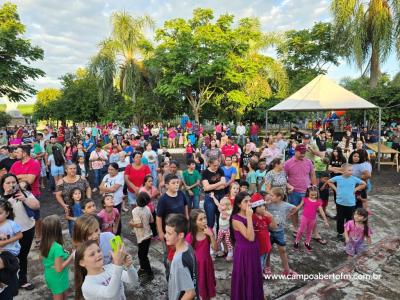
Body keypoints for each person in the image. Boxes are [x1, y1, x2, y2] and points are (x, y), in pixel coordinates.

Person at [1, 173, 39, 290]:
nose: (11, 185)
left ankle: (22, 280)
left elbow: (36, 205)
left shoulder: (23, 193)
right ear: (2, 185)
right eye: (8, 183)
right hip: (7, 234)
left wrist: (24, 199)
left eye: (13, 182)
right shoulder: (1, 199)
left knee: (23, 256)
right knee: (7, 257)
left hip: (27, 229)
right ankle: (8, 281)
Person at [230, 192, 263, 300]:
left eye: (250, 201)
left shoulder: (251, 214)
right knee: (245, 276)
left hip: (253, 249)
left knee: (254, 275)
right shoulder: (236, 219)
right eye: (246, 201)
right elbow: (250, 237)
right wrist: (249, 217)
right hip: (244, 252)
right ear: (239, 205)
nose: (249, 203)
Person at [10, 145, 42, 247]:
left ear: (24, 153)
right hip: (17, 194)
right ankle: (26, 235)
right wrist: (24, 176)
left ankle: (38, 236)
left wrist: (18, 177)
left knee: (35, 217)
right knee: (20, 216)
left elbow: (30, 181)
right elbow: (10, 178)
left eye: (17, 152)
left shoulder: (34, 163)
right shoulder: (15, 164)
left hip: (32, 194)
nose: (15, 154)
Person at [327, 164, 367, 242]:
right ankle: (340, 233)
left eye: (352, 170)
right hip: (340, 203)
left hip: (351, 204)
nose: (351, 172)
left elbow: (364, 184)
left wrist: (356, 189)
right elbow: (329, 181)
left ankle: (349, 232)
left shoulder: (354, 179)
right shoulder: (338, 178)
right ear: (343, 171)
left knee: (350, 219)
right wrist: (335, 189)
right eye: (349, 170)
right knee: (340, 219)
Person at [156, 174, 189, 265]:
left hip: (181, 229)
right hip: (169, 232)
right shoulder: (163, 199)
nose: (176, 185)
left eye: (177, 182)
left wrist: (187, 217)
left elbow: (185, 204)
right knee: (169, 253)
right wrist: (160, 232)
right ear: (166, 185)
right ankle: (169, 273)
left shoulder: (181, 193)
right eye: (173, 183)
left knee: (180, 248)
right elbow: (159, 217)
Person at [40, 215, 74, 300]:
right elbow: (59, 268)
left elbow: (41, 258)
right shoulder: (57, 247)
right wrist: (71, 256)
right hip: (58, 277)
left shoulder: (44, 243)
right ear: (57, 230)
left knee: (63, 295)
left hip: (50, 274)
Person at [265, 187, 297, 276]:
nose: (270, 197)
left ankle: (286, 269)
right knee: (268, 250)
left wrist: (289, 214)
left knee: (282, 250)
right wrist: (265, 204)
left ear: (279, 197)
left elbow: (294, 208)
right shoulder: (268, 204)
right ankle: (267, 267)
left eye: (272, 195)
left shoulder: (285, 205)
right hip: (269, 231)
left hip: (280, 232)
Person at [165, 214, 198, 300]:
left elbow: (190, 293)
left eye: (169, 233)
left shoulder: (178, 261)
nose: (165, 236)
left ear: (180, 235)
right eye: (166, 232)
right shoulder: (187, 246)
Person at [186, 209, 217, 300]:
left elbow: (215, 248)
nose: (204, 221)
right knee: (200, 288)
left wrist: (211, 235)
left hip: (207, 264)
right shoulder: (190, 237)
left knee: (209, 285)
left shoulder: (209, 231)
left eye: (205, 218)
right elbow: (187, 255)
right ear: (194, 222)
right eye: (200, 219)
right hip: (197, 267)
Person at [293, 186, 329, 252]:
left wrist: (325, 220)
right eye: (312, 195)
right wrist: (292, 212)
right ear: (308, 193)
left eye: (315, 195)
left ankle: (307, 243)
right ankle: (296, 241)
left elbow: (321, 211)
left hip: (313, 219)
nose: (313, 196)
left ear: (317, 194)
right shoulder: (305, 199)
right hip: (304, 217)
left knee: (309, 232)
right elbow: (299, 207)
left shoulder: (318, 201)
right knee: (301, 230)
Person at [250, 193, 277, 279]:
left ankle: (259, 274)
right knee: (258, 262)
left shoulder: (265, 217)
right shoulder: (252, 217)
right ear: (254, 208)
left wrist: (272, 217)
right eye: (260, 206)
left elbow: (274, 227)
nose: (263, 208)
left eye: (263, 205)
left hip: (266, 245)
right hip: (256, 246)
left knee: (263, 261)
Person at [0, 200, 22, 299]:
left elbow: (20, 235)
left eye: (0, 213)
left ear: (7, 213)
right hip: (2, 252)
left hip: (11, 251)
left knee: (9, 272)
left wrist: (5, 242)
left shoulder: (11, 224)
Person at [130, 192, 154, 283]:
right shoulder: (147, 208)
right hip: (148, 235)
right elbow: (152, 220)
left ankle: (149, 273)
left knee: (142, 256)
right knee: (143, 254)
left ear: (137, 201)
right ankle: (143, 269)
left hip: (142, 236)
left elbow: (139, 225)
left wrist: (131, 223)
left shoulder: (135, 211)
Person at [99, 163, 124, 235]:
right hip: (106, 201)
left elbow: (114, 189)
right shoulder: (106, 176)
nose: (109, 171)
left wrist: (104, 189)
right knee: (107, 218)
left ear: (117, 170)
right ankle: (108, 233)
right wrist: (108, 189)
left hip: (116, 202)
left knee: (117, 218)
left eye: (112, 169)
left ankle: (117, 234)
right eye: (109, 169)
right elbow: (100, 187)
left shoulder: (119, 176)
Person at [201, 157, 226, 230]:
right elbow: (206, 187)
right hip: (210, 198)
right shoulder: (205, 173)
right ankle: (210, 238)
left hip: (221, 196)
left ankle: (219, 239)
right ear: (209, 164)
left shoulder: (220, 170)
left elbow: (223, 185)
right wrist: (219, 183)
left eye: (217, 165)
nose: (216, 167)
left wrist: (210, 187)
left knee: (220, 220)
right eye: (214, 165)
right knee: (210, 221)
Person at [210, 194, 233, 260]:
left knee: (228, 241)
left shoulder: (229, 211)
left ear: (227, 205)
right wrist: (213, 196)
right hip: (221, 229)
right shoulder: (222, 208)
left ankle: (230, 253)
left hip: (227, 229)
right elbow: (217, 203)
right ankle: (215, 251)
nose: (220, 205)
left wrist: (222, 212)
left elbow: (226, 215)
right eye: (221, 204)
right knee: (218, 240)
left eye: (222, 205)